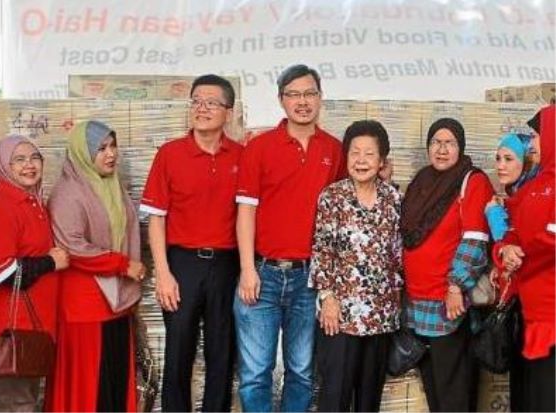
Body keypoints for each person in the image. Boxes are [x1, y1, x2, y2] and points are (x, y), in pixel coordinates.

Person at [234, 64, 343, 412]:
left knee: (301, 371)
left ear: (320, 98)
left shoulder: (335, 150)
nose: (302, 101)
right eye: (293, 94)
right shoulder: (260, 147)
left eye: (309, 93)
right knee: (255, 372)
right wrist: (248, 269)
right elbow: (246, 211)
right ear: (281, 100)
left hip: (309, 277)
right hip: (263, 274)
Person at [140, 74, 242, 412]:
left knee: (222, 352)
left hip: (228, 265)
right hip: (182, 263)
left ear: (228, 111)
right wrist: (163, 274)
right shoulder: (170, 154)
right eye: (196, 101)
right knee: (178, 351)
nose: (202, 108)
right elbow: (156, 218)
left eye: (211, 102)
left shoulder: (242, 156)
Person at [47, 120, 146, 412]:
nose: (110, 154)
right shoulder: (68, 193)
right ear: (81, 152)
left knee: (113, 382)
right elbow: (73, 247)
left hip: (115, 302)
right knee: (89, 387)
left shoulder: (113, 188)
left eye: (113, 146)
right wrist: (123, 264)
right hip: (84, 308)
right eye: (101, 148)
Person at [400, 118, 494, 412]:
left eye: (449, 143)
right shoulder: (421, 181)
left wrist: (456, 285)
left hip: (448, 302)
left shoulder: (472, 181)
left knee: (454, 389)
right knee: (434, 389)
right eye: (436, 142)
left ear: (460, 147)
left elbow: (475, 239)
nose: (442, 149)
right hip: (417, 303)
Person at [310, 120, 403, 412]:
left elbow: (399, 253)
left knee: (368, 399)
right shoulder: (332, 197)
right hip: (340, 315)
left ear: (382, 160)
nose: (361, 160)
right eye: (355, 153)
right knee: (334, 396)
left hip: (380, 315)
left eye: (369, 154)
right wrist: (327, 298)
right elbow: (322, 249)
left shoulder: (394, 199)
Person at [0, 135, 69, 411]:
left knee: (26, 403)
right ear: (4, 165)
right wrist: (50, 262)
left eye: (34, 158)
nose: (29, 165)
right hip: (10, 332)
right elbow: (0, 272)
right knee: (17, 405)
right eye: (18, 160)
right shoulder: (4, 204)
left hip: (32, 330)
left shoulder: (32, 201)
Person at [495, 104, 555, 412]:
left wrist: (525, 256)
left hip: (551, 320)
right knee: (528, 400)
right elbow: (513, 232)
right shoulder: (535, 186)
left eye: (537, 135)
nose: (532, 143)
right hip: (527, 316)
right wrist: (505, 250)